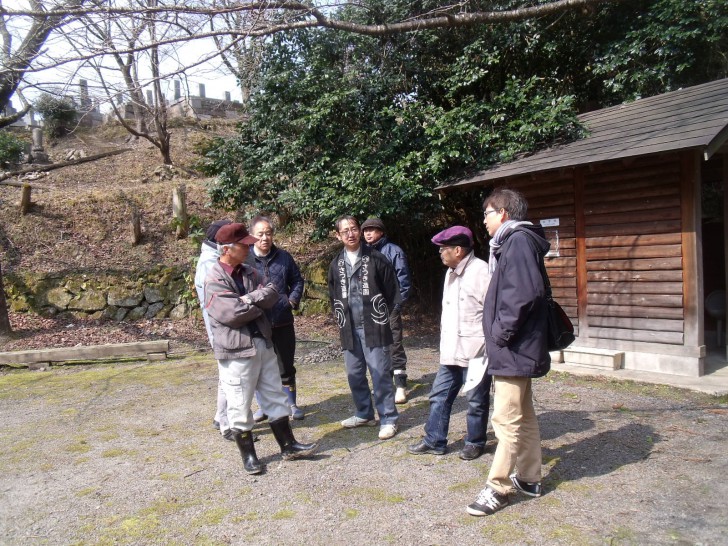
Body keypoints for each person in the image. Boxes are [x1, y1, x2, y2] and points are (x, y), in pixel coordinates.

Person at [204, 223, 317, 475]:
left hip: (262, 343)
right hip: (236, 350)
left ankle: (288, 445)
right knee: (239, 403)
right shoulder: (213, 278)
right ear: (226, 249)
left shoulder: (250, 270)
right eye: (243, 244)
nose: (248, 246)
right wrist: (256, 304)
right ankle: (250, 457)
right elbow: (231, 313)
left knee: (275, 396)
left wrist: (249, 300)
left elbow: (272, 292)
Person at [467, 188, 550, 516]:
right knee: (523, 415)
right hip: (519, 347)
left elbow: (523, 295)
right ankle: (529, 478)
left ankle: (498, 487)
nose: (484, 221)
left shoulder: (516, 241)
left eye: (486, 214)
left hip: (514, 348)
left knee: (504, 419)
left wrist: (499, 335)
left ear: (502, 212)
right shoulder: (518, 241)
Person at [407, 226, 492, 460]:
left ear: (458, 250)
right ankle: (434, 439)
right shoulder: (450, 272)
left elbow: (493, 313)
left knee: (475, 399)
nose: (440, 253)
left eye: (443, 249)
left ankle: (475, 442)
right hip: (451, 349)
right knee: (439, 395)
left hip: (476, 350)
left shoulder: (482, 272)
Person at [327, 215, 400, 440]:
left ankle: (388, 418)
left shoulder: (376, 258)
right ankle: (364, 413)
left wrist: (380, 314)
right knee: (354, 373)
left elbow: (391, 292)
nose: (350, 233)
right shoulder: (336, 264)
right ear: (338, 235)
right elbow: (333, 295)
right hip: (348, 326)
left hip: (374, 324)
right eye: (345, 230)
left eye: (354, 229)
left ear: (359, 231)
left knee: (380, 374)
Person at [247, 216, 306, 421]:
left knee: (285, 365)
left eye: (268, 233)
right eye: (260, 234)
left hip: (282, 319)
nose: (265, 238)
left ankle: (291, 404)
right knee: (259, 367)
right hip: (256, 322)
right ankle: (264, 406)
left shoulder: (284, 257)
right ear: (252, 236)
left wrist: (291, 301)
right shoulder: (245, 259)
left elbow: (297, 280)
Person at [361, 217, 412, 404]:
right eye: (365, 230)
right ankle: (384, 383)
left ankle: (400, 385)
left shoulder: (394, 251)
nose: (368, 233)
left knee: (394, 344)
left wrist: (398, 304)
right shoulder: (362, 253)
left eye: (373, 230)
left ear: (381, 232)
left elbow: (404, 279)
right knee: (376, 345)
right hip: (370, 307)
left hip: (390, 305)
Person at [194, 218, 233, 439]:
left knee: (228, 373)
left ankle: (221, 416)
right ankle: (226, 421)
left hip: (222, 328)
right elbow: (225, 304)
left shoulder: (211, 259)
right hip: (222, 328)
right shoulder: (210, 265)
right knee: (229, 373)